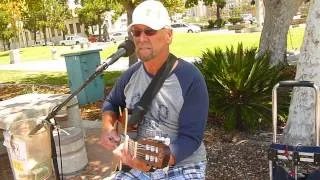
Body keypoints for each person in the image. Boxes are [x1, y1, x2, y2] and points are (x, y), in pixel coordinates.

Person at [99, 0, 209, 179]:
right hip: (138, 164)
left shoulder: (190, 78)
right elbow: (111, 103)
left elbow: (190, 139)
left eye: (150, 31)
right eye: (136, 32)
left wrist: (149, 162)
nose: (142, 38)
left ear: (169, 35)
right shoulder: (130, 75)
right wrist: (108, 127)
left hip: (183, 165)